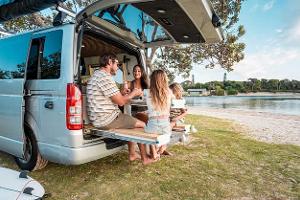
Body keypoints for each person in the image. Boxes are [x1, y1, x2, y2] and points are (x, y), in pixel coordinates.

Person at [86, 53, 155, 165]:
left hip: (98, 119)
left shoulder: (95, 76)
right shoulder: (106, 77)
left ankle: (133, 154)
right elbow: (121, 102)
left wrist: (122, 93)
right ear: (109, 62)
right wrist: (133, 93)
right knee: (142, 125)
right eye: (116, 64)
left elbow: (112, 98)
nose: (117, 67)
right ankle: (145, 158)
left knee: (131, 122)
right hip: (108, 119)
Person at [143, 70, 173, 159]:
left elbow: (137, 95)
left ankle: (155, 150)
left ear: (151, 80)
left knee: (142, 124)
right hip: (165, 124)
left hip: (152, 125)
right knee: (167, 136)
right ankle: (162, 147)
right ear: (165, 80)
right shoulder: (169, 92)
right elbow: (175, 101)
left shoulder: (147, 92)